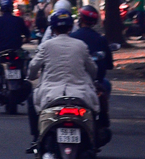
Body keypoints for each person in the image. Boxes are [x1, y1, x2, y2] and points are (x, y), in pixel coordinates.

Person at [26, 11, 98, 153]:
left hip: (50, 95)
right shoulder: (81, 45)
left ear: (52, 29)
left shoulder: (46, 46)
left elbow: (33, 67)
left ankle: (36, 138)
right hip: (80, 95)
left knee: (30, 100)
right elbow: (93, 69)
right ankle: (92, 141)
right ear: (70, 28)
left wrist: (31, 76)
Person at [72, 6, 113, 131]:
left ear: (81, 19)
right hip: (95, 82)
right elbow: (109, 64)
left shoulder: (73, 38)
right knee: (106, 85)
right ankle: (102, 116)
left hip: (74, 79)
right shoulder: (100, 39)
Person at [0, 0, 31, 89]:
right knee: (27, 60)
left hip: (2, 51)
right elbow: (27, 35)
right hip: (17, 51)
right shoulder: (18, 20)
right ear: (12, 8)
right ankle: (25, 77)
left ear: (1, 9)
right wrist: (25, 39)